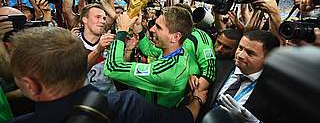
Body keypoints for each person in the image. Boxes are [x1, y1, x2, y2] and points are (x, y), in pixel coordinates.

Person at [7, 26, 207, 123]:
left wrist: (122, 34)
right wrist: (197, 98)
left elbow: (113, 67)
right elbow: (183, 118)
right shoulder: (128, 105)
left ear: (31, 85)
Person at [104, 7, 194, 108]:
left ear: (176, 37)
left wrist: (122, 31)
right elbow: (148, 49)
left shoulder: (164, 72)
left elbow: (112, 68)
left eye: (158, 27)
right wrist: (138, 27)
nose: (151, 29)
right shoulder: (177, 51)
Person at [200, 30, 281, 122]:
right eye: (240, 48)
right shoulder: (218, 66)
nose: (240, 55)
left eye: (250, 53)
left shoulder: (273, 94)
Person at [174, 3, 216, 91]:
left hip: (184, 96)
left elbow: (209, 72)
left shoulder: (200, 37)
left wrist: (195, 97)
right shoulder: (170, 35)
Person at [78, 4, 117, 95]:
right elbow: (76, 73)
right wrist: (98, 50)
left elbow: (118, 71)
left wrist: (128, 51)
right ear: (85, 20)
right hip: (82, 99)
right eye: (98, 17)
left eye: (104, 18)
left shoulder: (111, 43)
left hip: (109, 96)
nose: (102, 21)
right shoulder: (72, 43)